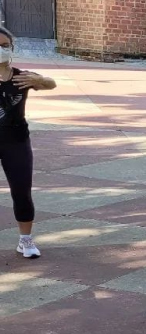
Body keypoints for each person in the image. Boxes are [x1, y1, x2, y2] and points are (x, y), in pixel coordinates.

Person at [0, 27, 56, 259]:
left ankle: (25, 240)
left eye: (4, 45)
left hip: (16, 141)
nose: (1, 50)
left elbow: (51, 84)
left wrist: (40, 79)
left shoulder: (22, 77)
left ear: (12, 48)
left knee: (21, 190)